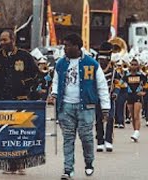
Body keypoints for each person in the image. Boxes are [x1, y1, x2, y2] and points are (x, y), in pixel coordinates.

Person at [50, 34, 110, 179]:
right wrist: (54, 93)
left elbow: (102, 86)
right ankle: (68, 169)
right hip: (66, 107)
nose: (65, 48)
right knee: (68, 138)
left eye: (68, 45)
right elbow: (56, 81)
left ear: (77, 47)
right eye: (64, 45)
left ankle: (89, 163)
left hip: (86, 107)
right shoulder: (60, 63)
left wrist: (105, 107)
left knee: (86, 137)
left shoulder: (92, 64)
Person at [0, 29, 39, 175]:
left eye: (5, 40)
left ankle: (21, 163)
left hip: (20, 100)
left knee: (20, 133)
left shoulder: (24, 56)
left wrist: (24, 83)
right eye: (1, 40)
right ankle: (9, 163)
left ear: (13, 40)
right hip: (2, 100)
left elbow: (35, 74)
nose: (2, 43)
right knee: (5, 133)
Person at [95, 42, 120, 152]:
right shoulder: (95, 70)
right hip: (97, 98)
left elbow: (118, 83)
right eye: (100, 59)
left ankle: (108, 141)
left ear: (108, 59)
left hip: (110, 98)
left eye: (104, 59)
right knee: (98, 119)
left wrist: (116, 92)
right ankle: (100, 141)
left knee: (110, 118)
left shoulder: (114, 71)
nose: (102, 61)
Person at [120, 58, 148, 142]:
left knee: (136, 115)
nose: (133, 66)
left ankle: (136, 132)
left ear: (138, 66)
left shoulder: (141, 76)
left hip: (138, 97)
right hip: (129, 96)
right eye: (132, 64)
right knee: (132, 116)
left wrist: (144, 93)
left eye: (135, 65)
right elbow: (121, 84)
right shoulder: (127, 76)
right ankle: (135, 132)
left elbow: (146, 85)